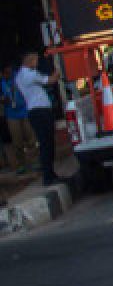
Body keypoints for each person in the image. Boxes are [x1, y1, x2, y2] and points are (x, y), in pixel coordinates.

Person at [15, 51, 61, 186]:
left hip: (35, 112)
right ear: (29, 60)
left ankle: (50, 174)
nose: (37, 63)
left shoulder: (19, 76)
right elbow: (51, 80)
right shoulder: (30, 74)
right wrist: (58, 68)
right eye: (35, 60)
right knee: (47, 143)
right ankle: (48, 176)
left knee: (45, 142)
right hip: (40, 111)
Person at [2, 62, 35, 174]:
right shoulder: (1, 82)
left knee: (30, 137)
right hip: (11, 114)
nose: (5, 75)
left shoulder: (19, 77)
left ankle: (35, 161)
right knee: (17, 141)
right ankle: (21, 164)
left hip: (24, 110)